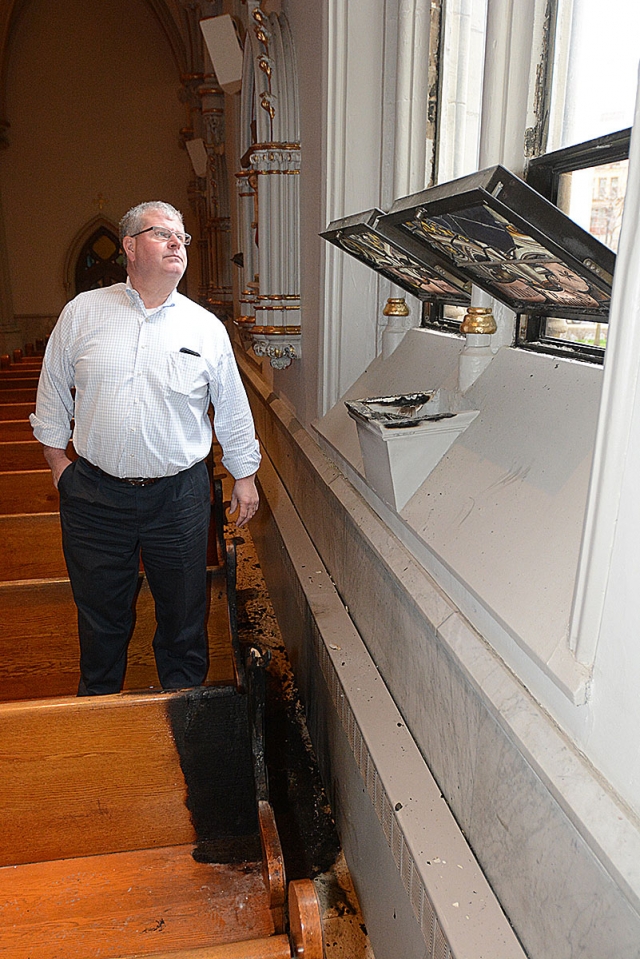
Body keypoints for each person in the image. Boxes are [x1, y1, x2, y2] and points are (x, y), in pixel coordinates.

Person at [30, 200, 261, 696]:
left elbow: (233, 408)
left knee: (183, 621)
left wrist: (244, 476)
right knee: (101, 623)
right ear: (130, 247)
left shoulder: (205, 327)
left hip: (178, 499)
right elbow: (51, 391)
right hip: (94, 497)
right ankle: (100, 720)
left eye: (182, 237)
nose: (178, 242)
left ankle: (187, 724)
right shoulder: (83, 313)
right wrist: (58, 464)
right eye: (162, 234)